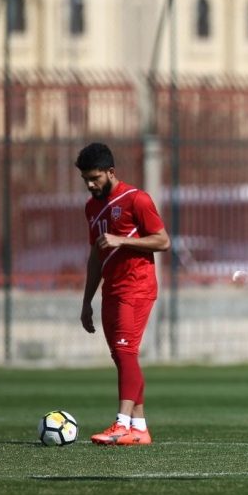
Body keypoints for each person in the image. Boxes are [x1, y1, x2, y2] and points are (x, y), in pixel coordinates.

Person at [77, 142, 171, 446]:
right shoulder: (92, 207)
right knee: (122, 356)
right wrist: (87, 301)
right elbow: (94, 256)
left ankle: (122, 424)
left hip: (137, 287)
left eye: (95, 178)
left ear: (111, 172)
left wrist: (121, 240)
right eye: (86, 180)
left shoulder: (136, 200)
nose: (90, 185)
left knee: (125, 352)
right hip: (112, 289)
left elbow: (162, 240)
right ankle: (140, 428)